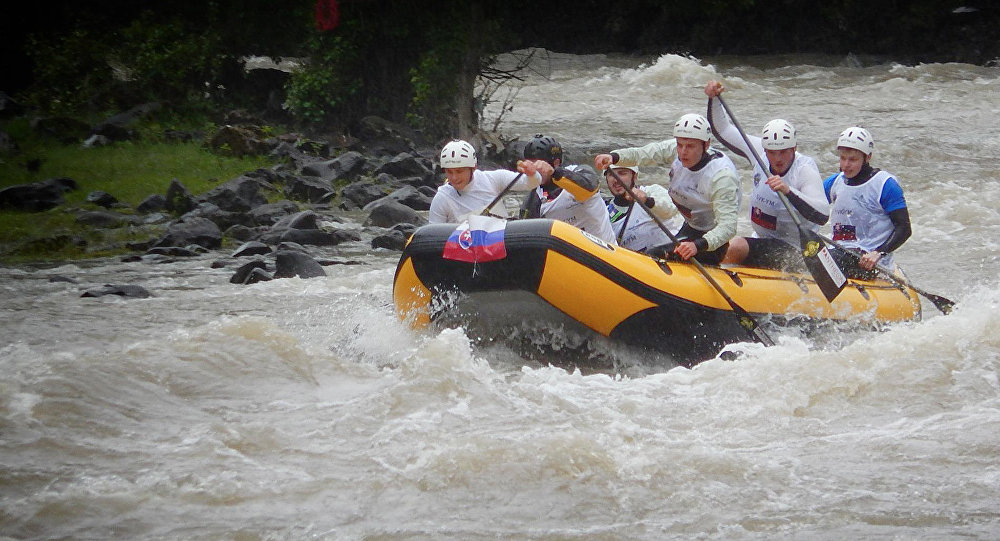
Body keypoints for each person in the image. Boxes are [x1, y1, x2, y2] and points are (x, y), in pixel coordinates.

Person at [703, 80, 830, 269]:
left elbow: (822, 214)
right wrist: (714, 99)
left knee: (735, 246)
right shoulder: (758, 154)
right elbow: (723, 130)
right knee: (715, 245)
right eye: (772, 152)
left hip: (794, 251)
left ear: (794, 148)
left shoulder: (804, 170)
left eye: (783, 152)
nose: (777, 159)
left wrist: (789, 191)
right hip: (762, 239)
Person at [594, 113, 741, 265]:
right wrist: (615, 157)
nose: (683, 152)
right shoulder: (675, 149)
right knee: (651, 255)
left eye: (690, 146)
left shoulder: (722, 176)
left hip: (710, 243)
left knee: (653, 257)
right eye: (680, 144)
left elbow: (728, 227)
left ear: (706, 145)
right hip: (690, 228)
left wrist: (697, 246)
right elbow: (644, 154)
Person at [824, 126, 911, 278]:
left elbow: (904, 228)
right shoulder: (834, 182)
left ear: (868, 157)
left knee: (832, 258)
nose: (845, 165)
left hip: (869, 261)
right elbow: (812, 209)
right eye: (843, 158)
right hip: (839, 252)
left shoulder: (885, 185)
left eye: (852, 159)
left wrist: (879, 253)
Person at [518, 134, 617, 245]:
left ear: (556, 163)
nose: (533, 171)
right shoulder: (533, 200)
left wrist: (554, 173)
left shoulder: (580, 172)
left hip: (604, 250)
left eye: (537, 165)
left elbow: (588, 190)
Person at [428, 139, 543, 224]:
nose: (454, 177)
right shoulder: (442, 198)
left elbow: (533, 183)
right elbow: (433, 237)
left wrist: (532, 173)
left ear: (473, 168)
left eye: (459, 171)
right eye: (449, 172)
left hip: (499, 242)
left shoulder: (493, 179)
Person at [603, 164, 682, 253]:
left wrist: (647, 201)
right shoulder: (605, 213)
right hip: (636, 259)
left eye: (622, 173)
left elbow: (671, 210)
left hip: (673, 251)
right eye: (611, 175)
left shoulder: (653, 191)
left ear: (634, 176)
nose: (616, 179)